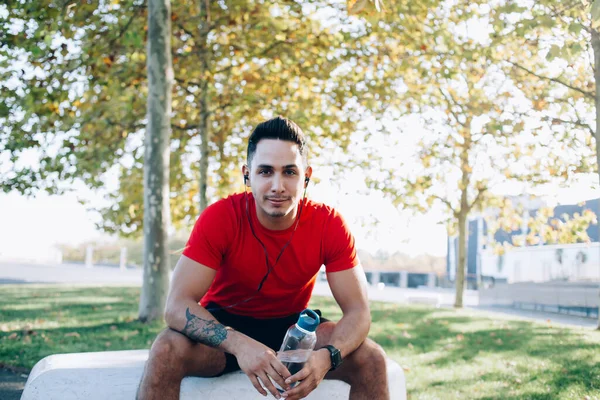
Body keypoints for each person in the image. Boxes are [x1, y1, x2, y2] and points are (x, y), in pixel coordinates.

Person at [137, 116, 389, 400]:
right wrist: (240, 345)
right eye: (266, 171)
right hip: (224, 329)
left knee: (372, 359)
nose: (278, 186)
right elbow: (176, 306)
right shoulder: (220, 217)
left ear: (306, 176)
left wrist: (327, 357)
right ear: (248, 175)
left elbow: (358, 312)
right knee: (166, 349)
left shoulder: (329, 224)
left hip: (294, 333)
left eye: (290, 172)